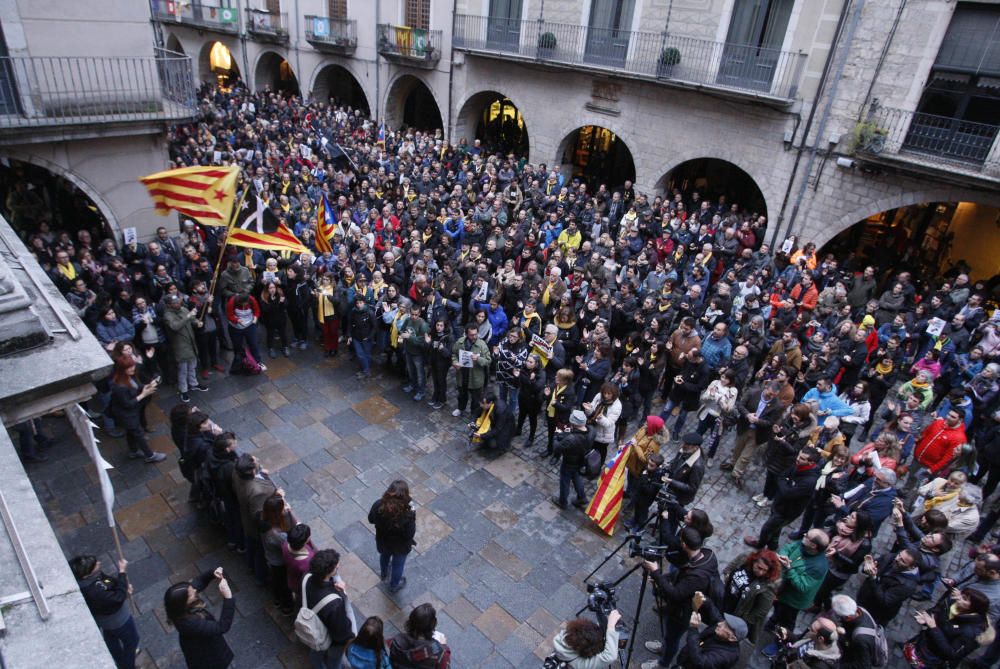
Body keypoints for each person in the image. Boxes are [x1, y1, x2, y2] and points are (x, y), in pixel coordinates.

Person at [641, 527, 723, 669]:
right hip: (686, 604)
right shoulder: (707, 555)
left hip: (683, 612)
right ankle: (665, 646)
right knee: (670, 636)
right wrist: (662, 578)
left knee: (673, 637)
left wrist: (655, 572)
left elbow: (675, 594)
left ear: (684, 544)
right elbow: (680, 575)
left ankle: (663, 663)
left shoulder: (697, 575)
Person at [746, 447, 822, 550]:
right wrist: (786, 483)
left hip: (787, 511)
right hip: (780, 503)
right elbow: (781, 475)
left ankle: (760, 545)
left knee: (767, 528)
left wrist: (785, 483)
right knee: (776, 528)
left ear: (810, 462)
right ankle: (773, 546)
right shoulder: (798, 465)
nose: (798, 459)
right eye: (799, 455)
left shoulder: (809, 481)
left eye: (802, 458)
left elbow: (787, 493)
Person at [71, 555, 139, 669]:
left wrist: (123, 586)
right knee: (132, 641)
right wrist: (122, 572)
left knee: (111, 638)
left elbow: (109, 582)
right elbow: (118, 597)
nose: (99, 563)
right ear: (86, 575)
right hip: (118, 621)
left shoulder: (91, 577)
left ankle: (118, 657)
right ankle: (127, 666)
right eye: (95, 565)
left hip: (105, 621)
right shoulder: (94, 591)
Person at [163, 567, 235, 669]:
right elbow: (222, 627)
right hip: (208, 656)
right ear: (184, 602)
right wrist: (228, 597)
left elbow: (198, 582)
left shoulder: (177, 608)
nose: (194, 590)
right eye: (191, 593)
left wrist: (212, 573)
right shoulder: (189, 624)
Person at [906, 588, 989, 668]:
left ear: (974, 608)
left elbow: (952, 653)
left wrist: (934, 628)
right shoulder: (952, 602)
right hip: (924, 643)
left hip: (934, 657)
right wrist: (927, 619)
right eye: (961, 594)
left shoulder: (971, 633)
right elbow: (937, 612)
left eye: (964, 598)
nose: (958, 597)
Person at [303, 549, 357, 669]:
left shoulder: (306, 577)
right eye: (336, 568)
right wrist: (341, 594)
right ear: (328, 572)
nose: (338, 567)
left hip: (312, 626)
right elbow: (342, 633)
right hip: (329, 639)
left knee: (315, 654)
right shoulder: (335, 604)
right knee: (334, 661)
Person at [768, 529, 830, 632]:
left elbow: (803, 586)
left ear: (814, 546)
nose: (804, 534)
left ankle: (784, 640)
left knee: (787, 620)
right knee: (777, 608)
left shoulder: (819, 567)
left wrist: (789, 568)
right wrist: (784, 556)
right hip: (783, 590)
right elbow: (788, 548)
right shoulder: (803, 544)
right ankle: (773, 622)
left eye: (807, 536)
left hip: (793, 600)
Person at [232, 453, 279, 585]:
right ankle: (261, 576)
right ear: (252, 470)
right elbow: (260, 516)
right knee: (259, 551)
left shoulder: (236, 474)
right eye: (254, 461)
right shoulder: (256, 492)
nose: (257, 459)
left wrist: (260, 475)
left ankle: (251, 565)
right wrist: (277, 497)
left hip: (245, 518)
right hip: (255, 528)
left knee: (251, 546)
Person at [108, 358, 166, 463]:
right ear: (121, 369)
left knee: (131, 432)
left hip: (130, 413)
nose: (132, 368)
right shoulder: (119, 386)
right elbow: (128, 404)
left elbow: (136, 387)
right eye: (129, 367)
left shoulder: (126, 378)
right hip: (126, 415)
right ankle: (150, 456)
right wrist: (144, 394)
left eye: (132, 366)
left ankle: (133, 451)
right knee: (138, 434)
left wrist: (147, 386)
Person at [721, 549, 782, 643]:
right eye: (759, 567)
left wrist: (740, 623)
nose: (761, 572)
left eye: (765, 570)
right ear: (754, 561)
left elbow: (760, 612)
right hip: (726, 600)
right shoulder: (744, 559)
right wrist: (727, 576)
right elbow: (729, 569)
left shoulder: (768, 586)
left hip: (736, 615)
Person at [367, 480, 417, 594]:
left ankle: (384, 574)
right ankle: (394, 585)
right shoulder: (407, 514)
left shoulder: (378, 505)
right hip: (400, 547)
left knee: (384, 557)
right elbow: (409, 534)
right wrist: (412, 513)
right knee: (398, 565)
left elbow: (370, 519)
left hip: (383, 542)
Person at [855, 547, 921, 626]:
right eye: (899, 555)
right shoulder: (890, 557)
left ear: (911, 567)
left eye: (902, 561)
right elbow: (870, 568)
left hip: (875, 611)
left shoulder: (908, 586)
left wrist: (873, 578)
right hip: (865, 597)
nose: (897, 559)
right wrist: (868, 566)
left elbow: (884, 601)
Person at [162, 292, 207, 402]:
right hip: (180, 345)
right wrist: (188, 317)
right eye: (175, 302)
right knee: (183, 369)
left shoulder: (183, 309)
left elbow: (192, 320)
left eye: (178, 301)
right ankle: (183, 390)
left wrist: (197, 323)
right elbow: (175, 326)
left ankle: (193, 383)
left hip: (190, 342)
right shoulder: (167, 316)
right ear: (169, 305)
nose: (178, 303)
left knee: (192, 365)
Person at [551, 409, 594, 510]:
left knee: (565, 481)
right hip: (581, 461)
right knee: (576, 477)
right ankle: (582, 497)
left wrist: (556, 436)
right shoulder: (591, 430)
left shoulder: (571, 439)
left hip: (569, 462)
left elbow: (557, 448)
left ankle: (562, 502)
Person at [550, 611, 622, 668]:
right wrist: (610, 626)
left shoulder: (564, 636)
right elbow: (610, 656)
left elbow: (584, 633)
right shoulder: (578, 665)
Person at [389, 603, 451, 668]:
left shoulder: (397, 641)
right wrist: (444, 646)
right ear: (433, 625)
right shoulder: (439, 653)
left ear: (410, 622)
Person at [451, 324, 492, 418]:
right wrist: (455, 362)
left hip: (475, 377)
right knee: (462, 395)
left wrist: (478, 359)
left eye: (475, 334)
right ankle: (460, 408)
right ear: (466, 334)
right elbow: (454, 354)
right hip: (462, 375)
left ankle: (474, 414)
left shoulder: (482, 345)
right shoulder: (460, 342)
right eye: (471, 335)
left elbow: (488, 360)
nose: (474, 337)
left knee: (476, 398)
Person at [770, 616, 842, 669]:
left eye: (812, 630)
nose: (808, 629)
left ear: (820, 639)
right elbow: (800, 641)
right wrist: (788, 635)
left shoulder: (820, 665)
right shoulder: (815, 640)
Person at [830, 594, 879, 669]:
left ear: (847, 617)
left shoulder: (860, 640)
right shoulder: (860, 610)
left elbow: (863, 666)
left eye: (837, 615)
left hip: (850, 657)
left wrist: (837, 666)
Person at [583, 381, 622, 464]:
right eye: (604, 393)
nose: (606, 396)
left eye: (609, 394)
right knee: (590, 448)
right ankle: (587, 464)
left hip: (604, 435)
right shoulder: (599, 396)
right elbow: (592, 411)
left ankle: (597, 467)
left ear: (614, 394)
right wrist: (589, 409)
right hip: (592, 429)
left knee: (600, 452)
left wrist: (600, 418)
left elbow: (609, 423)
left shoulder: (617, 406)